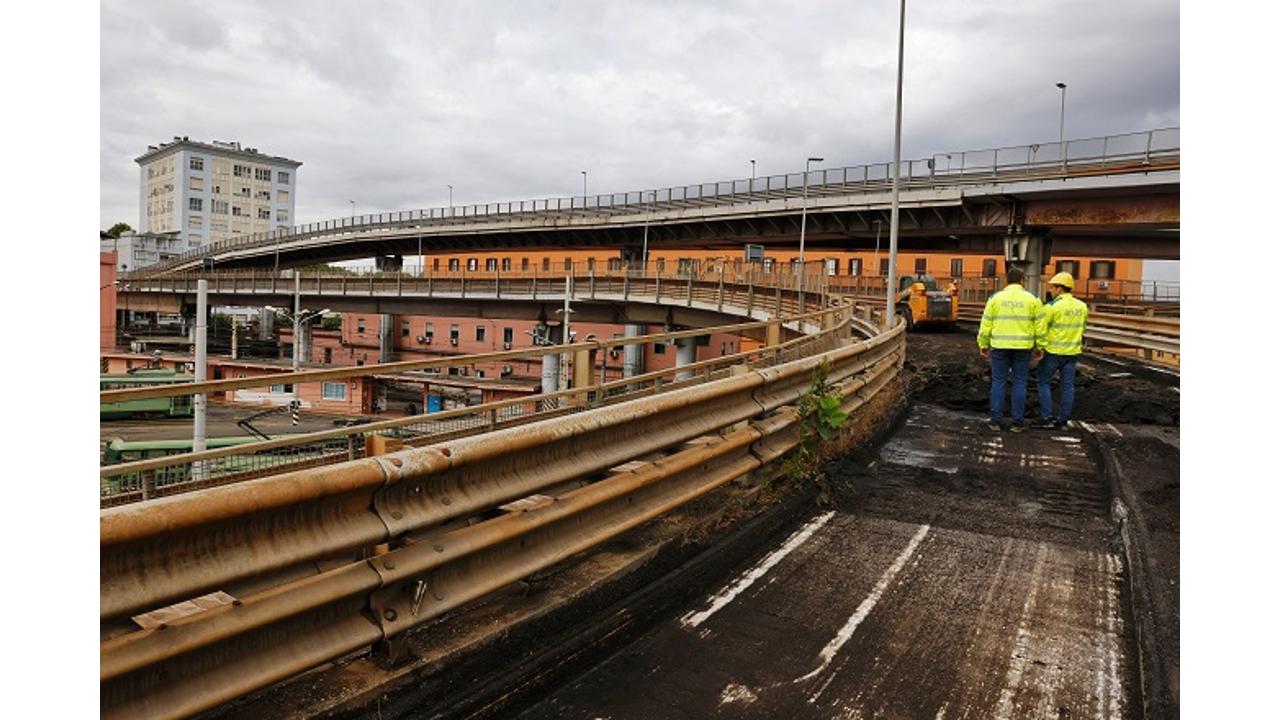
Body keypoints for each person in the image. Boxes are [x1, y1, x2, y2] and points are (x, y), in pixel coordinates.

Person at [977, 265, 1043, 431]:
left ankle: (995, 421)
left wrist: (983, 344)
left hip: (999, 347)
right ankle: (1017, 423)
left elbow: (986, 323)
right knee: (1020, 383)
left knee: (998, 381)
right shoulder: (1033, 299)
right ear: (1022, 281)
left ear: (1007, 280)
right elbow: (1040, 326)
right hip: (1023, 347)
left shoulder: (995, 298)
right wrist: (1040, 346)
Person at [1035, 272, 1089, 429]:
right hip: (1072, 353)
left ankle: (1046, 417)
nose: (1050, 290)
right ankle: (1063, 419)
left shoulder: (1052, 307)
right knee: (1067, 386)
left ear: (1059, 288)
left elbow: (1042, 329)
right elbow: (1082, 328)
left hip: (1053, 352)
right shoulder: (1082, 306)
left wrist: (1039, 348)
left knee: (1043, 382)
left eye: (1052, 287)